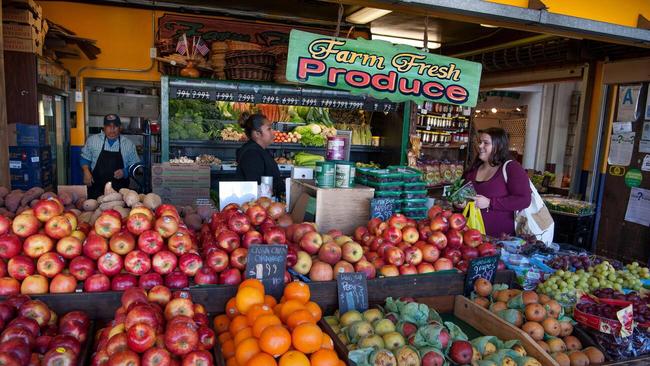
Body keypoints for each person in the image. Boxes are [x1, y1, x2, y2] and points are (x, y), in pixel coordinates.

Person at [463, 127, 531, 238]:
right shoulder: (473, 168)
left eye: (486, 143)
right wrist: (460, 202)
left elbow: (524, 200)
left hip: (499, 240)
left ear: (498, 146)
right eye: (480, 142)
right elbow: (465, 195)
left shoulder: (511, 168)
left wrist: (490, 203)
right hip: (469, 236)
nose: (480, 146)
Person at [81, 114, 140, 199]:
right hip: (96, 190)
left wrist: (125, 172)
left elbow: (135, 166)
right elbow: (85, 158)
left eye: (115, 126)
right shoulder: (92, 141)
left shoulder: (128, 144)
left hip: (120, 194)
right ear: (104, 127)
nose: (112, 129)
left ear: (120, 127)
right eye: (109, 126)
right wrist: (86, 171)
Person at [235, 113, 283, 196]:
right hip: (259, 205)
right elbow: (255, 186)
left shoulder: (258, 150)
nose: (273, 132)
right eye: (269, 129)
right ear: (257, 134)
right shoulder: (252, 154)